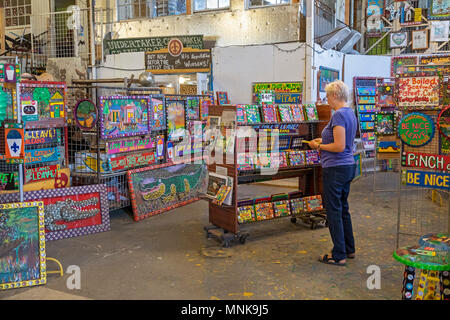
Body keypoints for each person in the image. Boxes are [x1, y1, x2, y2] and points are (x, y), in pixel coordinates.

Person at [308, 80, 357, 267]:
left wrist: (319, 145)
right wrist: (324, 139)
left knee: (334, 211)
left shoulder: (338, 116)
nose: (326, 99)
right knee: (343, 208)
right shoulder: (349, 113)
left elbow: (338, 146)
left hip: (336, 168)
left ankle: (338, 255)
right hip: (347, 167)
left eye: (327, 95)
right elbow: (341, 141)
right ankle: (349, 248)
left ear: (335, 95)